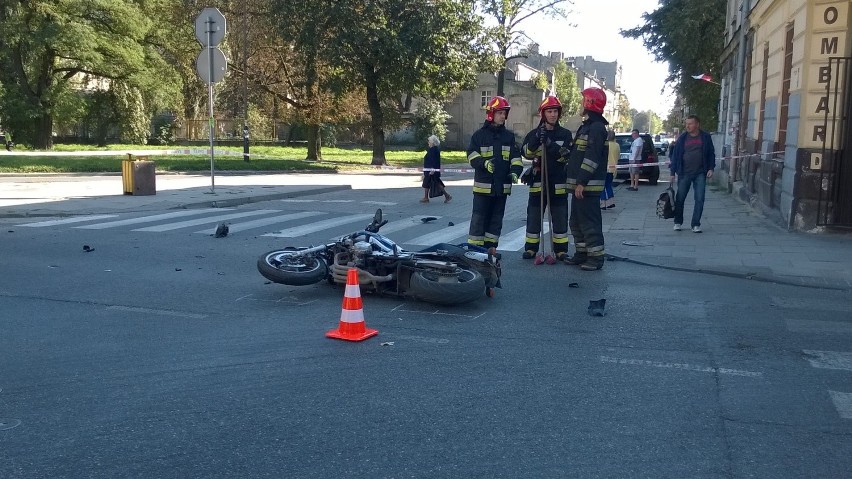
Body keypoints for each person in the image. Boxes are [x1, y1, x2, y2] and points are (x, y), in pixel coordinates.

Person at [466, 96, 524, 251]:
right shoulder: (479, 136)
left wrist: (515, 172)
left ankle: (491, 249)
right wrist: (483, 163)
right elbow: (471, 155)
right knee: (479, 219)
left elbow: (515, 158)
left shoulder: (508, 136)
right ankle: (475, 251)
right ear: (491, 114)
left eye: (505, 113)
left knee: (496, 220)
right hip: (483, 188)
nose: (503, 116)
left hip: (501, 187)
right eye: (500, 113)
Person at [520, 96, 573, 262]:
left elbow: (566, 155)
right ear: (543, 114)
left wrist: (550, 144)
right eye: (549, 111)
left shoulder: (565, 134)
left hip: (558, 182)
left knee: (560, 218)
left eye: (555, 111)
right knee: (534, 217)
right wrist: (537, 139)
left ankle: (561, 250)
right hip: (538, 183)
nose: (553, 114)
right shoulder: (533, 134)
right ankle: (530, 248)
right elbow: (526, 153)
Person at [564, 87, 609, 271]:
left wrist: (581, 182)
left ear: (590, 103)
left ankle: (596, 258)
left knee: (589, 222)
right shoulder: (587, 126)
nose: (582, 103)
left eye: (585, 100)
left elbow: (591, 158)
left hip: (587, 187)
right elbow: (577, 154)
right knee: (576, 222)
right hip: (579, 187)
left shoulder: (597, 129)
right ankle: (582, 253)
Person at [669, 114, 716, 233]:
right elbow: (675, 155)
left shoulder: (705, 137)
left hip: (700, 173)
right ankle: (678, 222)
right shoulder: (683, 138)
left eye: (690, 123)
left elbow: (711, 153)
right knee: (680, 198)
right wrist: (672, 172)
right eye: (686, 124)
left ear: (697, 124)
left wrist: (711, 168)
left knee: (700, 199)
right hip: (684, 173)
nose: (687, 126)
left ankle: (695, 224)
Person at [420, 135, 452, 203]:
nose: (428, 142)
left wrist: (432, 169)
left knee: (431, 183)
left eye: (429, 141)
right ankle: (426, 197)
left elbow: (433, 160)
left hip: (431, 170)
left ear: (432, 142)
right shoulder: (435, 149)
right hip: (431, 170)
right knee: (430, 183)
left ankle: (446, 195)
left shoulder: (433, 150)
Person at [600, 129, 619, 209]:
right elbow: (618, 156)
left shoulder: (605, 144)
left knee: (602, 186)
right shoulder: (617, 145)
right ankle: (611, 202)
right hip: (613, 168)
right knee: (608, 185)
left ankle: (603, 203)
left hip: (604, 168)